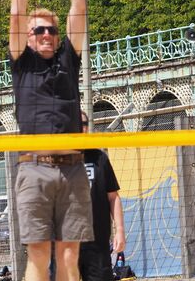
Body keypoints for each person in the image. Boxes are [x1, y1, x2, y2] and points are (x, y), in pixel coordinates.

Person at [9, 0, 93, 281]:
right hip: (35, 167)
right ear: (29, 38)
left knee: (70, 255)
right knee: (39, 255)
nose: (46, 34)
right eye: (39, 30)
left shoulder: (67, 59)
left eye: (51, 30)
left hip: (73, 166)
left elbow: (79, 5)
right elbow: (16, 13)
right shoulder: (22, 62)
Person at [79, 111, 125, 281]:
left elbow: (113, 197)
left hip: (97, 243)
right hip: (66, 244)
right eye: (75, 123)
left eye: (84, 123)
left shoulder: (99, 158)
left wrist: (119, 231)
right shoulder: (59, 159)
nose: (80, 127)